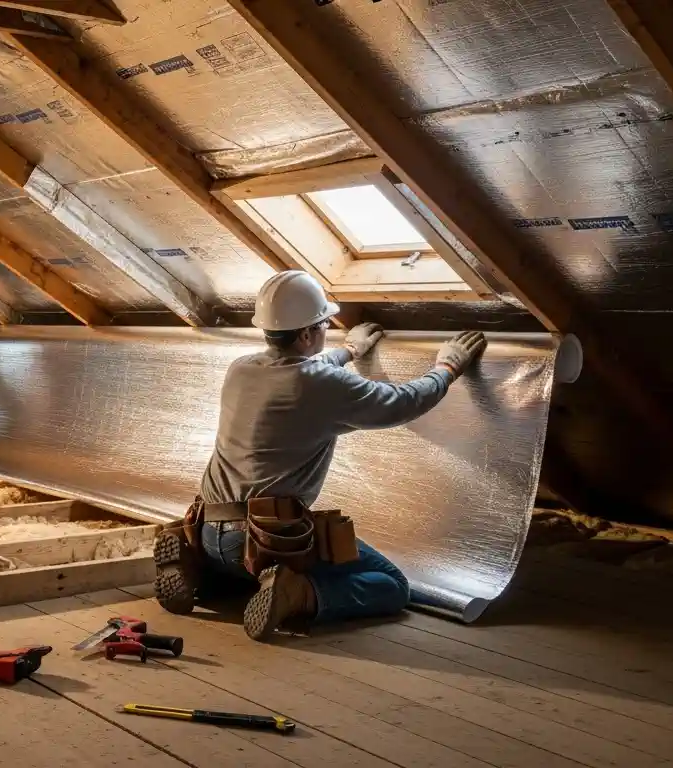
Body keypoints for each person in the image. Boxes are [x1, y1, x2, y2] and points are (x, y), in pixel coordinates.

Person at [153, 270, 487, 640]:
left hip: (205, 528)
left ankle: (197, 569)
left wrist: (348, 352)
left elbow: (301, 371)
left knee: (244, 578)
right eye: (324, 323)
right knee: (392, 585)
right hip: (265, 538)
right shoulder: (321, 385)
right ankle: (298, 594)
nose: (328, 327)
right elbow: (402, 402)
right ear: (307, 334)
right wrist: (447, 367)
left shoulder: (241, 369)